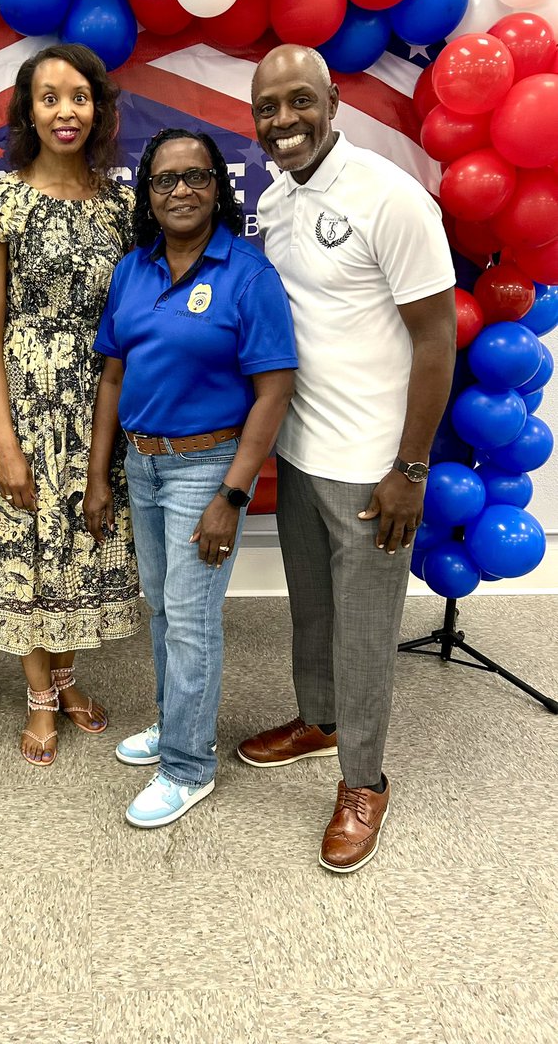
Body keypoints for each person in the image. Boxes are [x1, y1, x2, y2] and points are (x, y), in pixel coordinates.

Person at [238, 44, 456, 871]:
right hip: (300, 447)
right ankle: (319, 723)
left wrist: (410, 468)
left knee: (366, 631)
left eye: (300, 102)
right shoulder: (281, 196)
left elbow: (435, 338)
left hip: (373, 464)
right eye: (268, 108)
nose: (283, 121)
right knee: (315, 612)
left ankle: (364, 779)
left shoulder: (390, 197)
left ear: (332, 101)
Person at [85, 128, 297, 828]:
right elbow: (113, 374)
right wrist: (100, 474)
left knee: (193, 619)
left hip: (207, 469)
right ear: (147, 194)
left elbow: (273, 392)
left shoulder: (248, 274)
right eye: (164, 179)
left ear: (219, 187)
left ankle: (187, 766)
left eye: (195, 176)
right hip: (142, 464)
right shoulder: (133, 271)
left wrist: (231, 497)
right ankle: (175, 721)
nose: (180, 190)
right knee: (165, 605)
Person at [0, 43, 140, 767]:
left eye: (79, 97)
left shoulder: (122, 204)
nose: (66, 111)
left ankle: (66, 681)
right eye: (49, 97)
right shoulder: (1, 199)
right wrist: (4, 438)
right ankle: (37, 699)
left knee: (75, 547)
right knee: (26, 549)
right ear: (29, 110)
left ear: (99, 108)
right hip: (23, 403)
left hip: (96, 404)